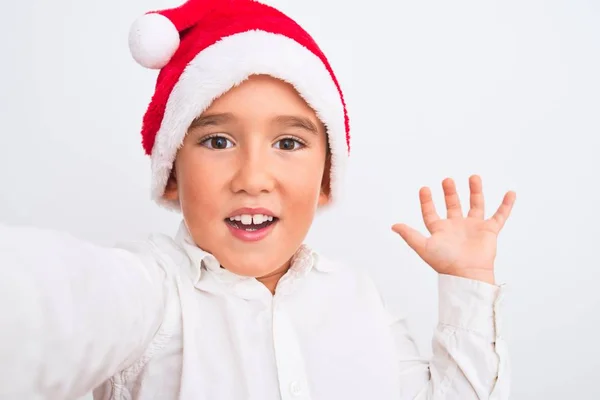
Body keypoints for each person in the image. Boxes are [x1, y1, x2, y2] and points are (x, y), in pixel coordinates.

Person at [0, 0, 516, 399]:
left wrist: (468, 283)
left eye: (288, 143)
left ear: (326, 178)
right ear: (172, 175)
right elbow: (51, 303)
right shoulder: (152, 294)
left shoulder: (360, 301)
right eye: (217, 141)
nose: (253, 177)